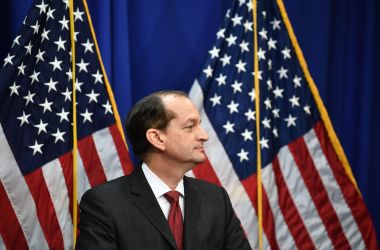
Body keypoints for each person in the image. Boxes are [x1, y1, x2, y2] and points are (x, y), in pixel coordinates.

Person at [76, 90, 252, 250]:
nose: (204, 136)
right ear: (157, 138)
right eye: (190, 127)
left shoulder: (216, 198)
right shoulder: (104, 203)